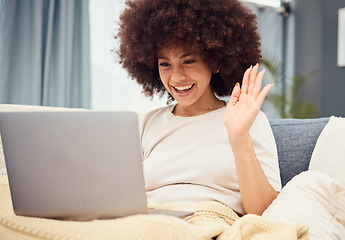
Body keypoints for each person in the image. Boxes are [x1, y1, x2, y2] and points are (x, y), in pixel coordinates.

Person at [116, 0, 281, 216]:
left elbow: (265, 214)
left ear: (214, 61)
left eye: (189, 61)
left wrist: (239, 137)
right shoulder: (145, 124)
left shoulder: (248, 121)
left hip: (211, 222)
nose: (176, 77)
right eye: (165, 64)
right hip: (148, 221)